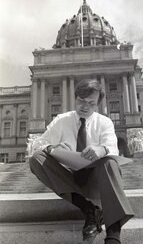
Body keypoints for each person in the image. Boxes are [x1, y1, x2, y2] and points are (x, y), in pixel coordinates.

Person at [29, 79, 134, 244]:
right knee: (36, 158)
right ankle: (89, 209)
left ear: (97, 104)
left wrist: (102, 149)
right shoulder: (61, 120)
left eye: (91, 103)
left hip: (98, 181)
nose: (85, 106)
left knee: (109, 162)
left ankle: (113, 234)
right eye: (81, 101)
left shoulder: (104, 122)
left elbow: (112, 148)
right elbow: (36, 145)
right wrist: (51, 147)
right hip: (69, 179)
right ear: (75, 98)